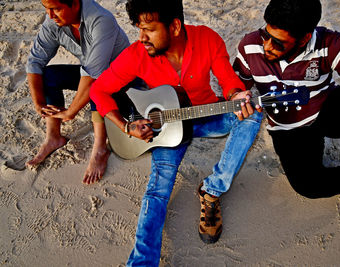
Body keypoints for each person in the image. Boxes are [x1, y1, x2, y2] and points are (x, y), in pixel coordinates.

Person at [90, 0, 263, 265]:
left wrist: (236, 94)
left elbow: (228, 80)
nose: (141, 37)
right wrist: (126, 126)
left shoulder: (207, 39)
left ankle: (211, 190)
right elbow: (98, 90)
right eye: (138, 29)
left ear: (174, 26)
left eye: (148, 29)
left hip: (206, 115)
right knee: (157, 191)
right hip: (167, 129)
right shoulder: (137, 54)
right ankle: (141, 263)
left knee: (253, 112)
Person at [233, 0, 340, 250]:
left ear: (304, 39)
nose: (266, 45)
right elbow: (237, 84)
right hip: (287, 126)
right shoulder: (249, 45)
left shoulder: (329, 43)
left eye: (278, 42)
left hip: (323, 105)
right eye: (265, 34)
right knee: (308, 186)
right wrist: (236, 94)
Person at [26, 0, 130, 184]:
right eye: (47, 9)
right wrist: (39, 104)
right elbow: (35, 61)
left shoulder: (101, 20)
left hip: (126, 87)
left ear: (75, 4)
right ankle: (53, 137)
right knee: (49, 75)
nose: (50, 16)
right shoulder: (54, 22)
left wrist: (71, 111)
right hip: (95, 75)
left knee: (98, 83)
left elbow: (93, 74)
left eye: (56, 9)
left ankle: (100, 147)